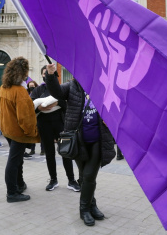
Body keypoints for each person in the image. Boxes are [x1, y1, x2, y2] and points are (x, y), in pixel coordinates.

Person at [46, 64, 116, 226]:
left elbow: (115, 107)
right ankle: (91, 204)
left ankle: (83, 209)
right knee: (84, 176)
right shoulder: (72, 87)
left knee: (90, 175)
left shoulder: (104, 87)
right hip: (78, 141)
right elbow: (56, 92)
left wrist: (111, 119)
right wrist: (51, 75)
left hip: (98, 139)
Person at [0, 56, 40, 203]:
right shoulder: (20, 91)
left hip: (7, 129)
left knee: (17, 159)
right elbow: (26, 118)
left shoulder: (3, 88)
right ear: (23, 72)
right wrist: (31, 132)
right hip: (18, 133)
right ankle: (12, 193)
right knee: (14, 161)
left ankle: (19, 184)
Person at [31, 65, 80, 192]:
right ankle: (53, 179)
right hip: (44, 124)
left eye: (47, 73)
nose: (45, 75)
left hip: (60, 124)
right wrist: (39, 108)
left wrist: (58, 102)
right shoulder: (37, 90)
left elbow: (68, 104)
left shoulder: (61, 88)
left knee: (66, 151)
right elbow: (30, 105)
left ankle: (71, 180)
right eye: (43, 73)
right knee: (49, 153)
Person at [25, 80, 39, 156]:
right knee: (33, 133)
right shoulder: (26, 94)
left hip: (38, 114)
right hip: (30, 116)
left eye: (33, 86)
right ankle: (32, 149)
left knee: (40, 133)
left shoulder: (38, 92)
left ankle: (43, 149)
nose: (32, 88)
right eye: (30, 86)